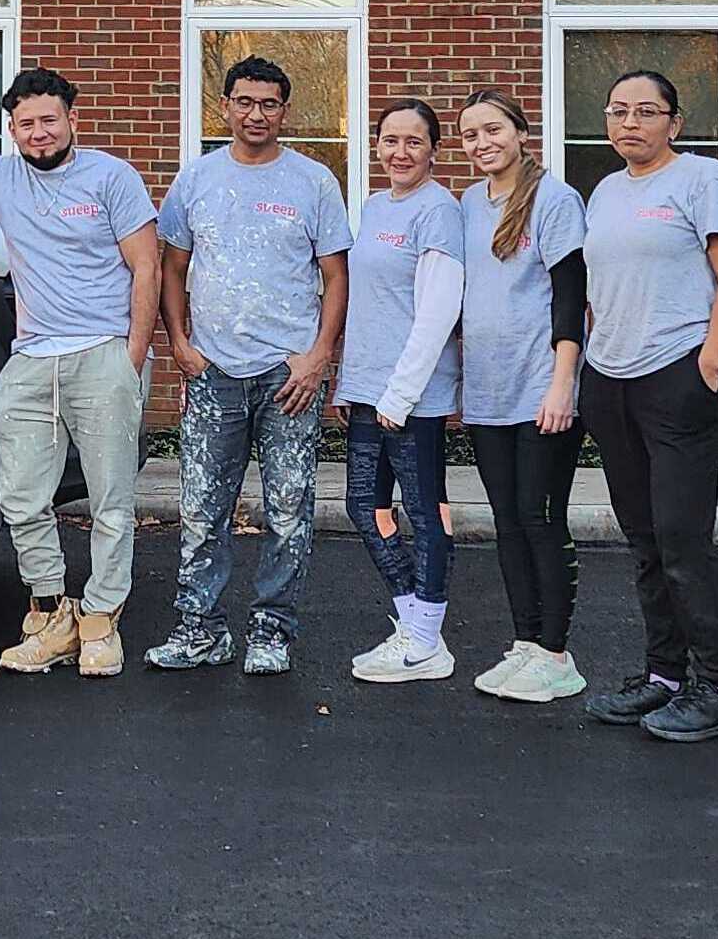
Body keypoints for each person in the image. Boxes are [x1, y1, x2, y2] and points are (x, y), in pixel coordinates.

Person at [0, 68, 160, 679]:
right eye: (24, 124)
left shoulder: (112, 178)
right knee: (20, 497)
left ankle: (101, 622)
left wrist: (133, 355)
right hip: (31, 358)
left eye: (48, 120)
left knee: (111, 500)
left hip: (104, 353)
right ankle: (49, 611)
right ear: (10, 129)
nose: (38, 133)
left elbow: (146, 268)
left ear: (73, 119)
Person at [146, 53, 351, 677]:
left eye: (269, 103)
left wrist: (318, 357)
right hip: (213, 373)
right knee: (203, 509)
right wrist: (179, 341)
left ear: (284, 111)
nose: (256, 113)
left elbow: (336, 274)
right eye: (245, 101)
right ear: (226, 107)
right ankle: (201, 629)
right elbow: (172, 268)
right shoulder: (196, 180)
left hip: (288, 376)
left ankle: (272, 629)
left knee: (288, 510)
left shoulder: (314, 182)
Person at [577, 69, 718, 744]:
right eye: (619, 111)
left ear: (674, 124)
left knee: (684, 540)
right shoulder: (606, 191)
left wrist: (708, 361)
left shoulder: (703, 182)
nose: (631, 122)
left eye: (646, 112)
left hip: (679, 375)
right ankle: (665, 677)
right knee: (646, 540)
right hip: (613, 379)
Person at [454, 92, 589, 705]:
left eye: (493, 130)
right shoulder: (466, 205)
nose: (482, 143)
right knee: (507, 523)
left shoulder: (555, 201)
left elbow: (569, 297)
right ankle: (526, 644)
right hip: (488, 388)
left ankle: (558, 655)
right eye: (469, 134)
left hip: (541, 388)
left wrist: (563, 383)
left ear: (521, 132)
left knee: (540, 520)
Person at [339, 99, 467, 683]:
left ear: (434, 151)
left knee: (421, 511)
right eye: (390, 140)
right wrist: (352, 384)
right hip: (369, 388)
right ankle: (417, 629)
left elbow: (437, 311)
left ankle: (423, 641)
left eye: (413, 142)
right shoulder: (373, 206)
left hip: (411, 398)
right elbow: (371, 304)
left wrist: (399, 395)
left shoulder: (438, 210)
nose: (400, 152)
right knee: (364, 507)